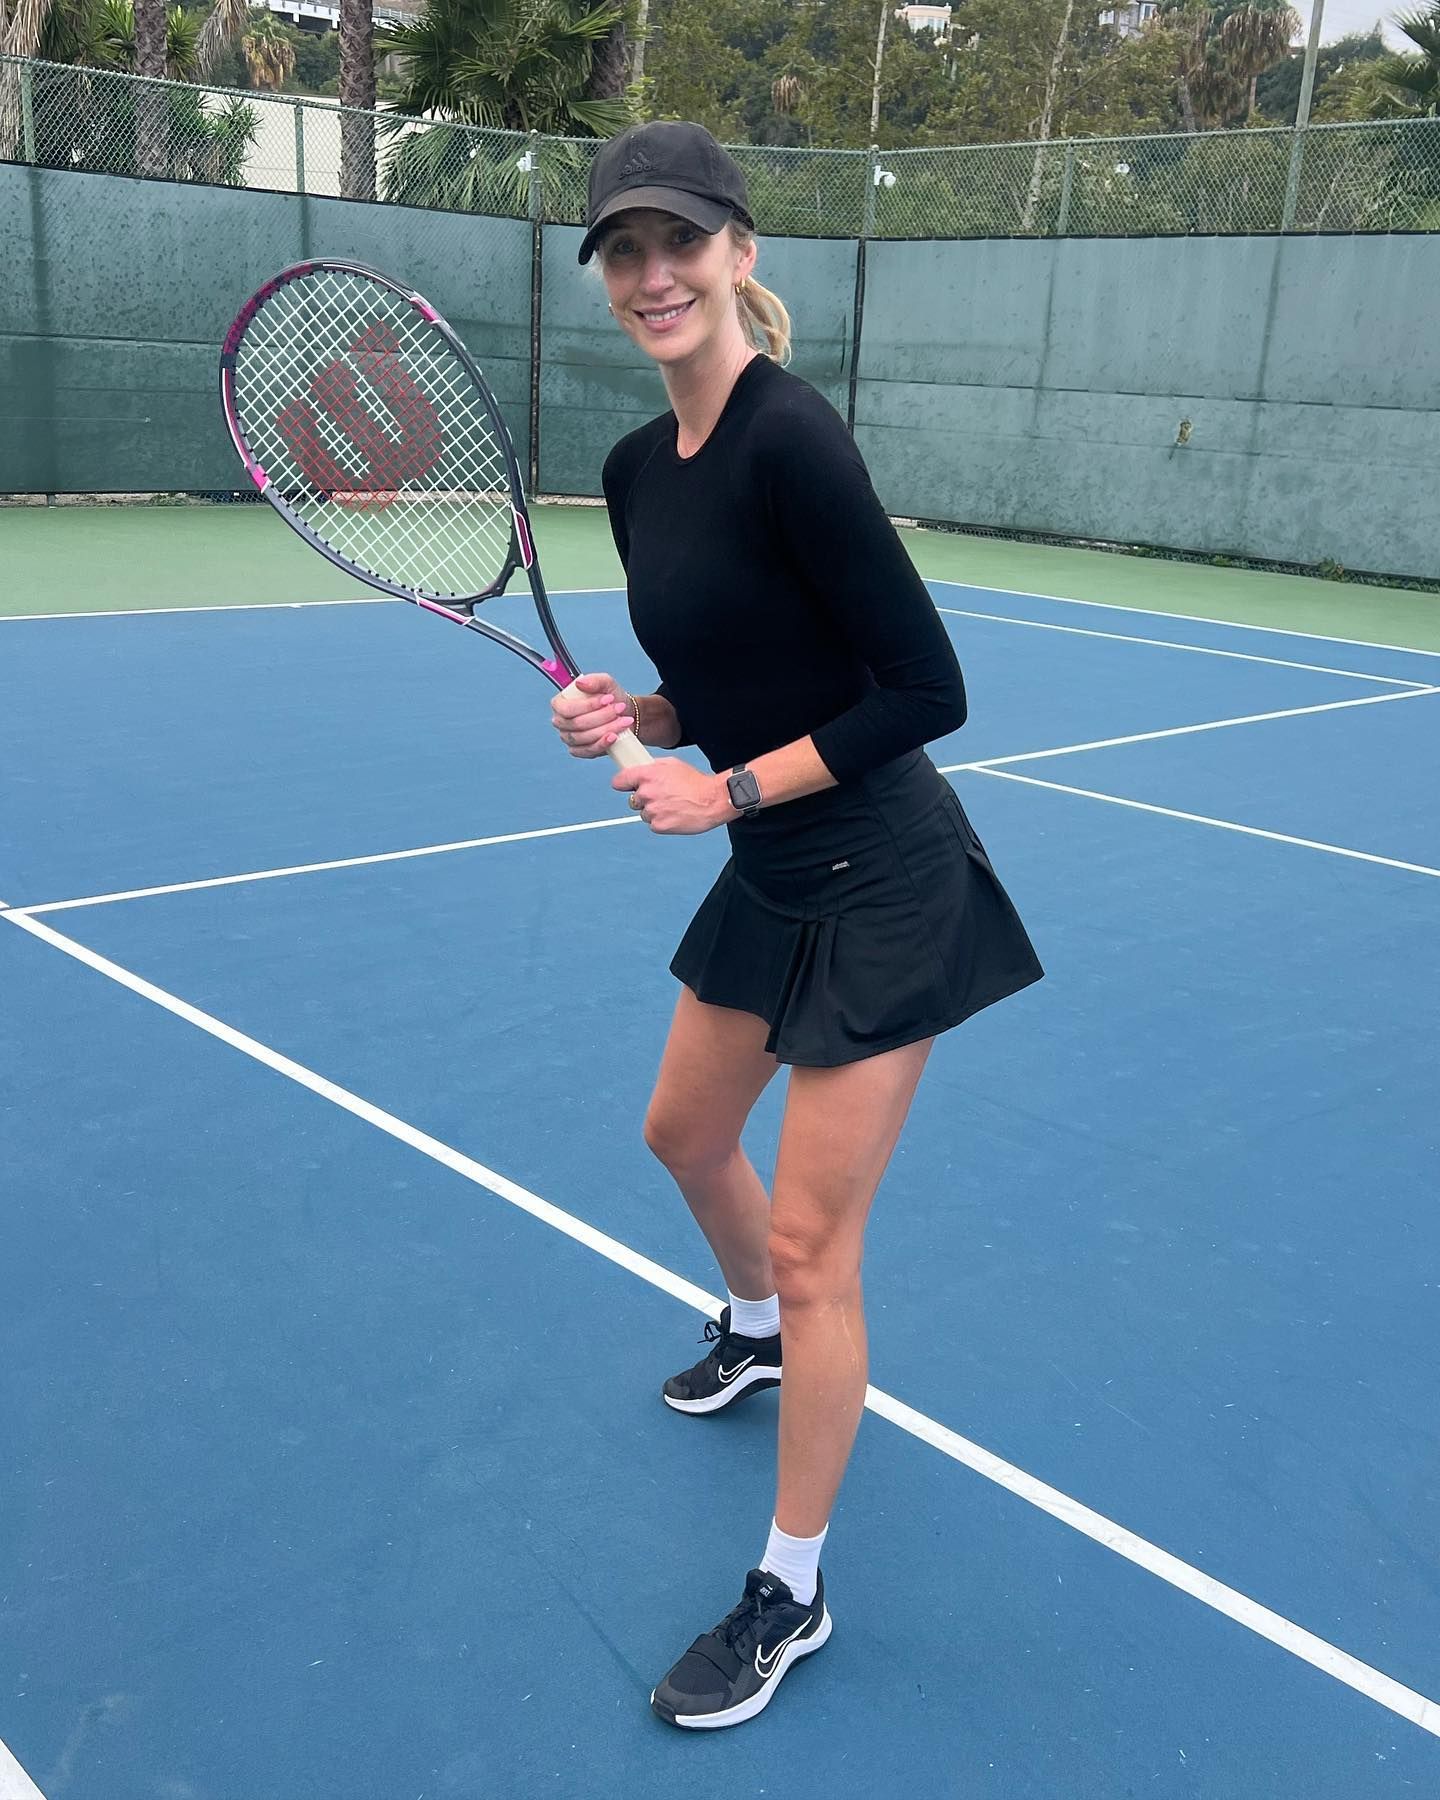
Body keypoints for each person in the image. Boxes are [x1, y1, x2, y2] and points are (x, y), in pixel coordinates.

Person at [552, 120, 1044, 1731]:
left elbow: (925, 690)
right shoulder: (639, 470)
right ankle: (756, 1334)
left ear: (740, 254)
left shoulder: (795, 442)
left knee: (820, 1247)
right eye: (625, 251)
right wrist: (646, 713)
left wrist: (730, 790)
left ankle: (792, 1587)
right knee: (683, 1136)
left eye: (680, 243)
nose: (653, 275)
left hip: (886, 878)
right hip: (776, 863)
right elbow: (743, 666)